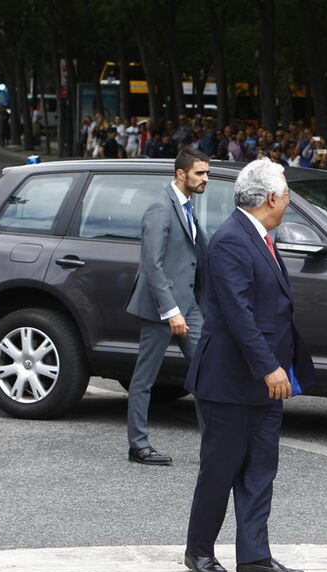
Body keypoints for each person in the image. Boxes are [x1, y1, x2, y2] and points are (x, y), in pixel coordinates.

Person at [184, 158, 314, 572]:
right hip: (230, 381)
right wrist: (269, 368)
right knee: (220, 470)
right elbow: (239, 314)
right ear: (272, 197)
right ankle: (199, 550)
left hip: (263, 383)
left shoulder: (258, 236)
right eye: (288, 192)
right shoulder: (231, 240)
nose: (290, 200)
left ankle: (254, 557)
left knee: (261, 470)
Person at [124, 146, 209, 465]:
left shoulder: (186, 206)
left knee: (205, 371)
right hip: (163, 308)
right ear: (180, 174)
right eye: (200, 173)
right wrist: (171, 310)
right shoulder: (161, 208)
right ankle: (138, 444)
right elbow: (153, 265)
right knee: (144, 377)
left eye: (207, 173)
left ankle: (212, 445)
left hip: (189, 305)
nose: (205, 179)